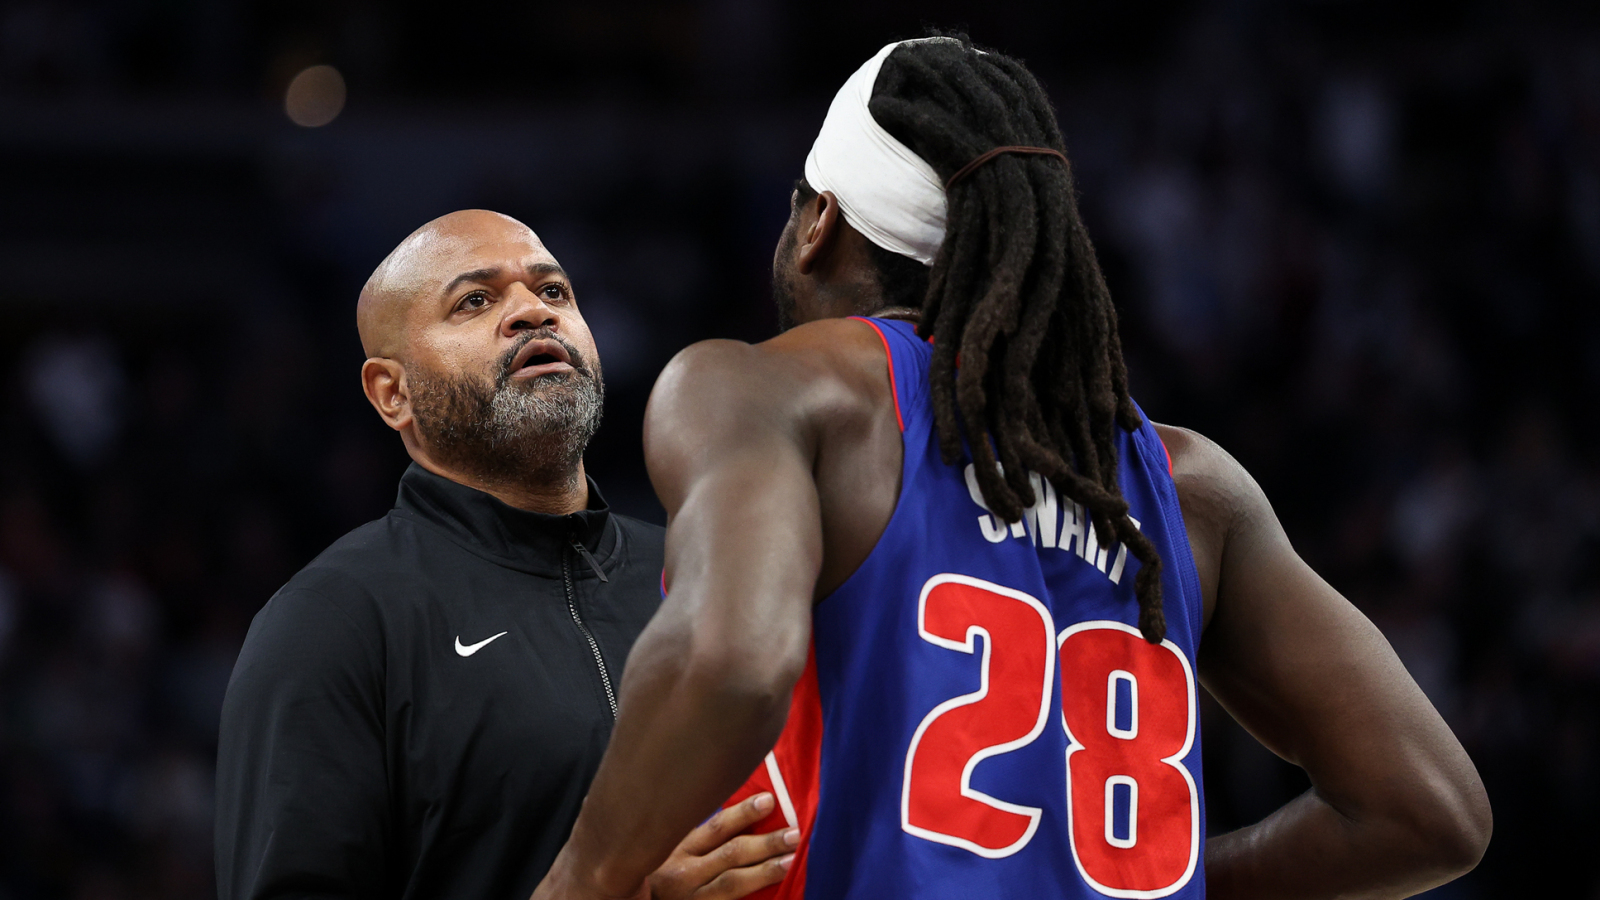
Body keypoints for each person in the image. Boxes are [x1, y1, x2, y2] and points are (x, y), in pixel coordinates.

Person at [532, 37, 1492, 900]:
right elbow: (1430, 812)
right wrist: (1168, 877)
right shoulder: (1190, 483)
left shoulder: (763, 390)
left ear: (820, 221)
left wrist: (581, 882)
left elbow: (731, 660)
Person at [215, 210, 795, 900]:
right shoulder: (333, 622)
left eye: (553, 291)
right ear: (392, 393)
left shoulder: (701, 573)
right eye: (474, 301)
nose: (532, 312)